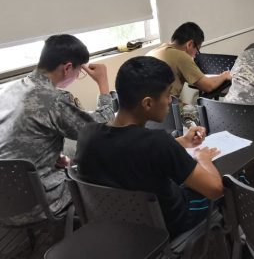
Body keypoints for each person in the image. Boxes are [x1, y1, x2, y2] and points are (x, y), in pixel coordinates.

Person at [75, 56, 223, 237]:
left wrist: (181, 142)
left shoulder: (87, 134)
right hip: (167, 224)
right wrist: (203, 159)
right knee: (229, 181)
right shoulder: (158, 143)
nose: (170, 101)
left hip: (115, 223)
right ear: (147, 103)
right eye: (168, 94)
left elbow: (127, 150)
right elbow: (214, 189)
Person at [0, 34, 114, 225]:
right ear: (67, 68)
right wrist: (103, 84)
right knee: (97, 159)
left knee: (68, 155)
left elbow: (18, 140)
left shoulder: (0, 94)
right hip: (32, 203)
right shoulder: (53, 100)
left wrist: (49, 157)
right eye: (79, 71)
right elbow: (102, 128)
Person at [146, 22, 231, 127]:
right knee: (208, 117)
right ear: (190, 44)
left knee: (187, 105)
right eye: (197, 50)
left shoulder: (155, 51)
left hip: (146, 109)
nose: (195, 55)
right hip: (165, 109)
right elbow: (208, 86)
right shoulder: (180, 56)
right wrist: (224, 75)